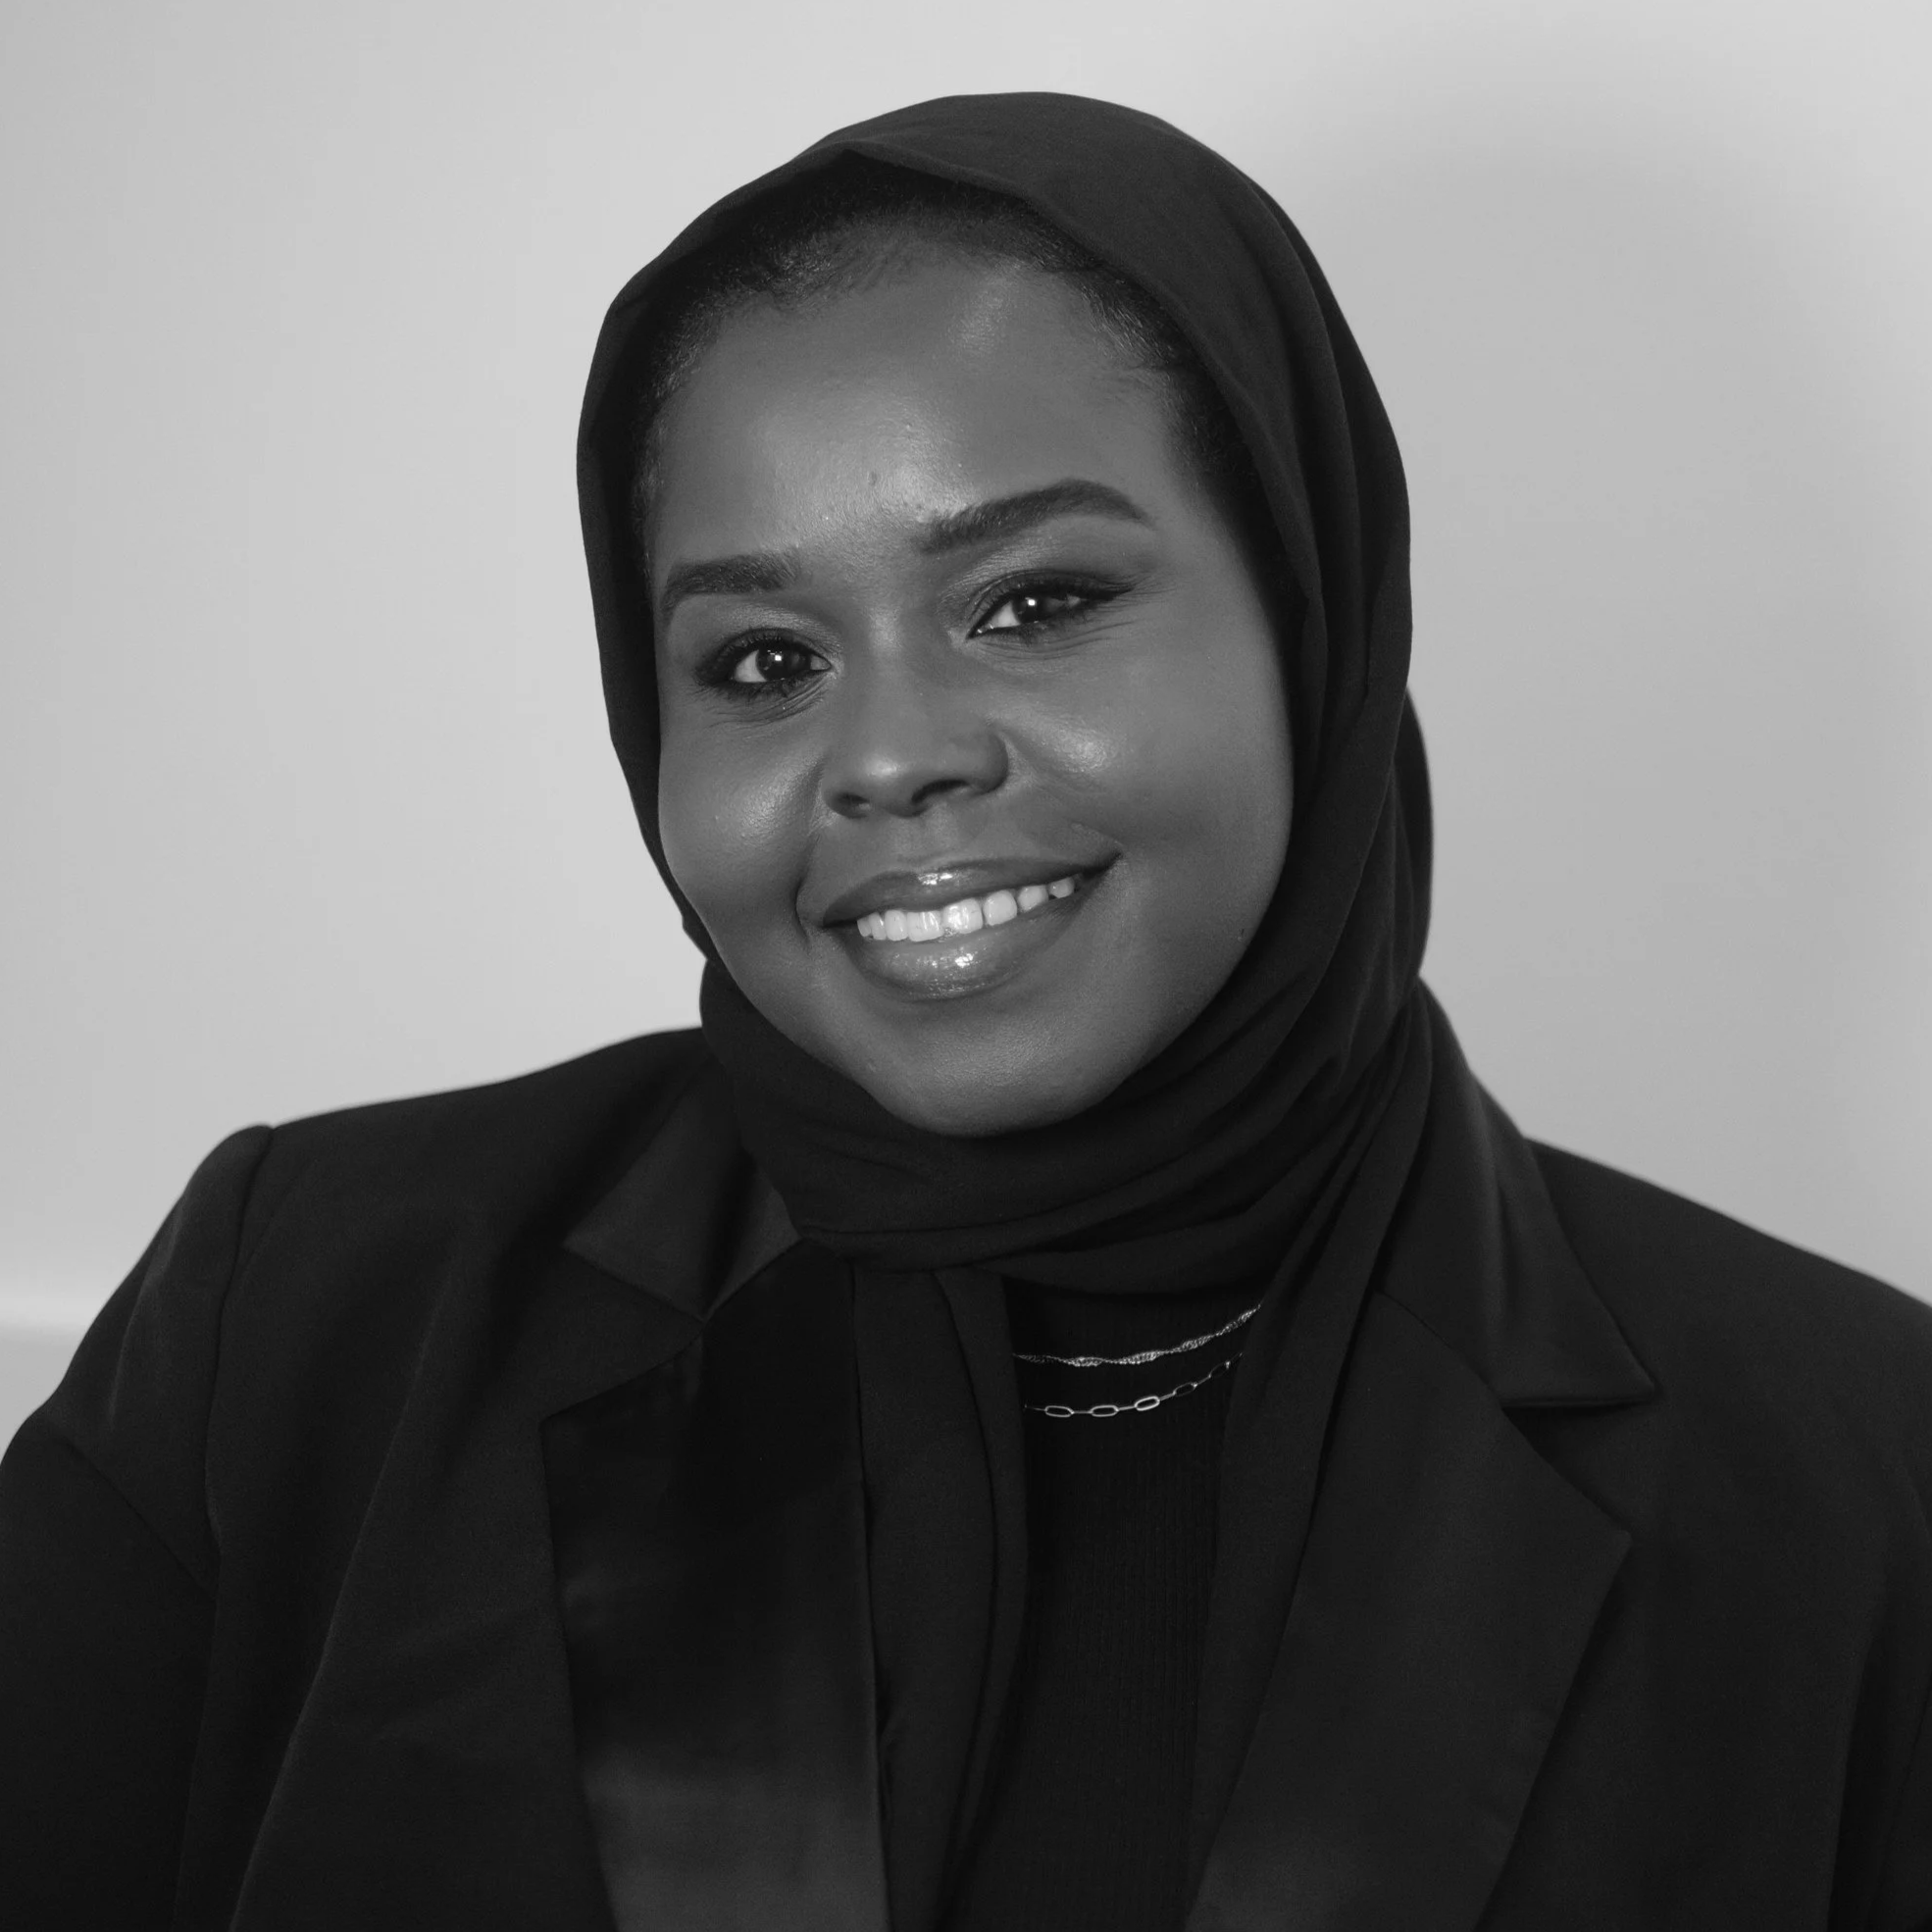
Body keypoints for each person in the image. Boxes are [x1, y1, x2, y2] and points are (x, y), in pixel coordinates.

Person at [3, 91, 1928, 1932]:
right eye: (761, 656)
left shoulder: (1858, 1490)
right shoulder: (308, 1320)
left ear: (1312, 617)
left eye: (1029, 602)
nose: (892, 757)